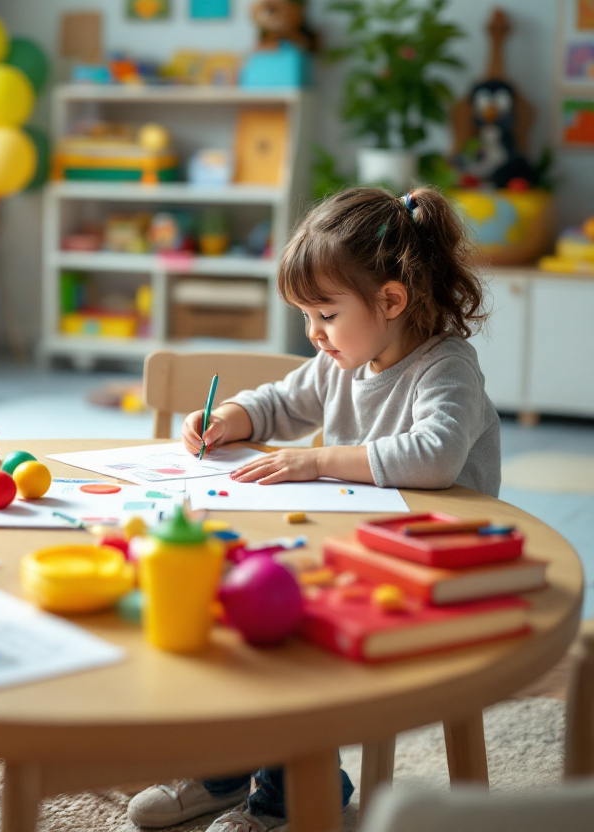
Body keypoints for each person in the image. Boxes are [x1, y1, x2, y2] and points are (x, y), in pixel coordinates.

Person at [129, 186, 497, 832]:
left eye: (324, 314)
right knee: (236, 593)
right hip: (358, 543)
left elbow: (435, 457)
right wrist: (230, 419)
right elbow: (278, 403)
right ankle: (225, 768)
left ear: (391, 300)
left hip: (431, 567)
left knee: (291, 623)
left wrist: (317, 459)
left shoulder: (446, 368)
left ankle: (290, 792)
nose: (313, 334)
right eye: (306, 316)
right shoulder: (339, 361)